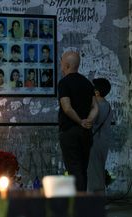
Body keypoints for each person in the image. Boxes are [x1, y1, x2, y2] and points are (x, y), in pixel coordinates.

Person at [58, 51, 98, 191]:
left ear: (67, 65)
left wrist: (80, 121)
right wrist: (89, 121)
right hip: (86, 133)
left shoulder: (64, 83)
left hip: (70, 132)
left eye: (62, 63)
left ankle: (78, 206)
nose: (61, 66)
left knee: (74, 170)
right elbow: (95, 107)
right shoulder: (87, 83)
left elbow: (67, 108)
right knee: (82, 169)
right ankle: (83, 203)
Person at [87, 78, 112, 193]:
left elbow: (90, 123)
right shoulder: (108, 105)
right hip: (104, 142)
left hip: (94, 143)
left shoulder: (96, 106)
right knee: (99, 170)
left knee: (92, 173)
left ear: (96, 92)